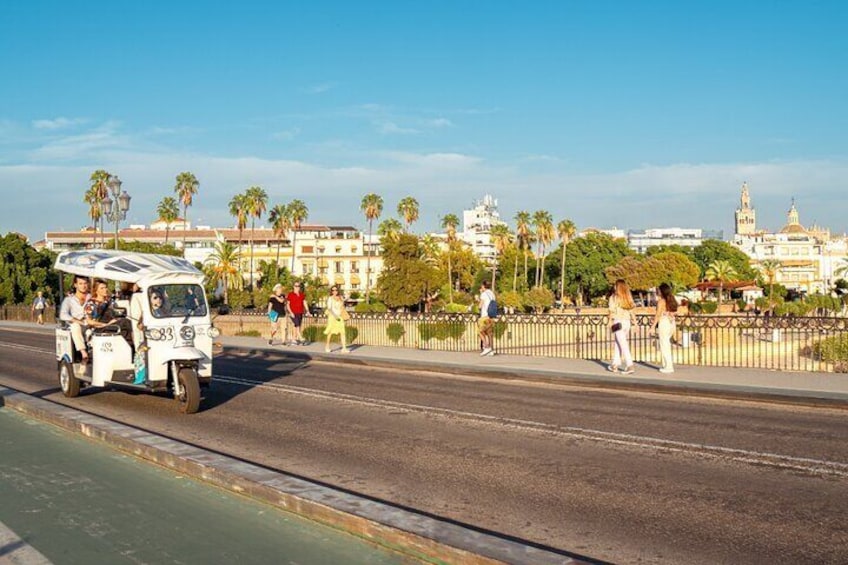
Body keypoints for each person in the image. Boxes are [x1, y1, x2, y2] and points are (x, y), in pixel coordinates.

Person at [607, 278, 637, 374]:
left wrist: (609, 321)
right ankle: (615, 364)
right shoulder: (628, 297)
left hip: (618, 322)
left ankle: (630, 365)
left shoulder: (614, 297)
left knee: (623, 344)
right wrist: (635, 323)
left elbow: (611, 311)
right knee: (618, 343)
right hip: (627, 322)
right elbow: (632, 311)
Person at [59, 275, 90, 362]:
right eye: (80, 283)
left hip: (89, 324)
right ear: (75, 285)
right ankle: (83, 353)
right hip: (77, 324)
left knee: (91, 332)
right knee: (75, 327)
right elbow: (63, 315)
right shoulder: (69, 300)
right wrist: (77, 321)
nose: (83, 286)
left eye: (85, 283)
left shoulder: (91, 297)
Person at [653, 283, 678, 374]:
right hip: (671, 323)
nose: (657, 291)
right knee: (666, 343)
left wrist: (652, 326)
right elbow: (675, 312)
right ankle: (666, 364)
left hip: (664, 323)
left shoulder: (661, 301)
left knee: (664, 345)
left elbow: (658, 315)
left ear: (662, 291)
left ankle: (668, 366)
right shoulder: (672, 300)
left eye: (658, 290)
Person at [323, 285, 350, 353]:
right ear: (331, 291)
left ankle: (344, 348)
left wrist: (347, 296)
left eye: (336, 290)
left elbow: (343, 303)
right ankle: (327, 346)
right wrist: (335, 316)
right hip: (332, 317)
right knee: (330, 332)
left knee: (342, 332)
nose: (334, 291)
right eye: (333, 290)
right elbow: (329, 308)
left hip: (340, 316)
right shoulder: (330, 298)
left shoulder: (340, 297)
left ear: (338, 290)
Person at [478, 280, 497, 356]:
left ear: (483, 286)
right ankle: (491, 349)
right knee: (489, 333)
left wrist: (478, 298)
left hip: (484, 316)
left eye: (481, 286)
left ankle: (486, 347)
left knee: (480, 332)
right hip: (491, 316)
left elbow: (480, 306)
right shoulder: (492, 294)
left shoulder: (483, 294)